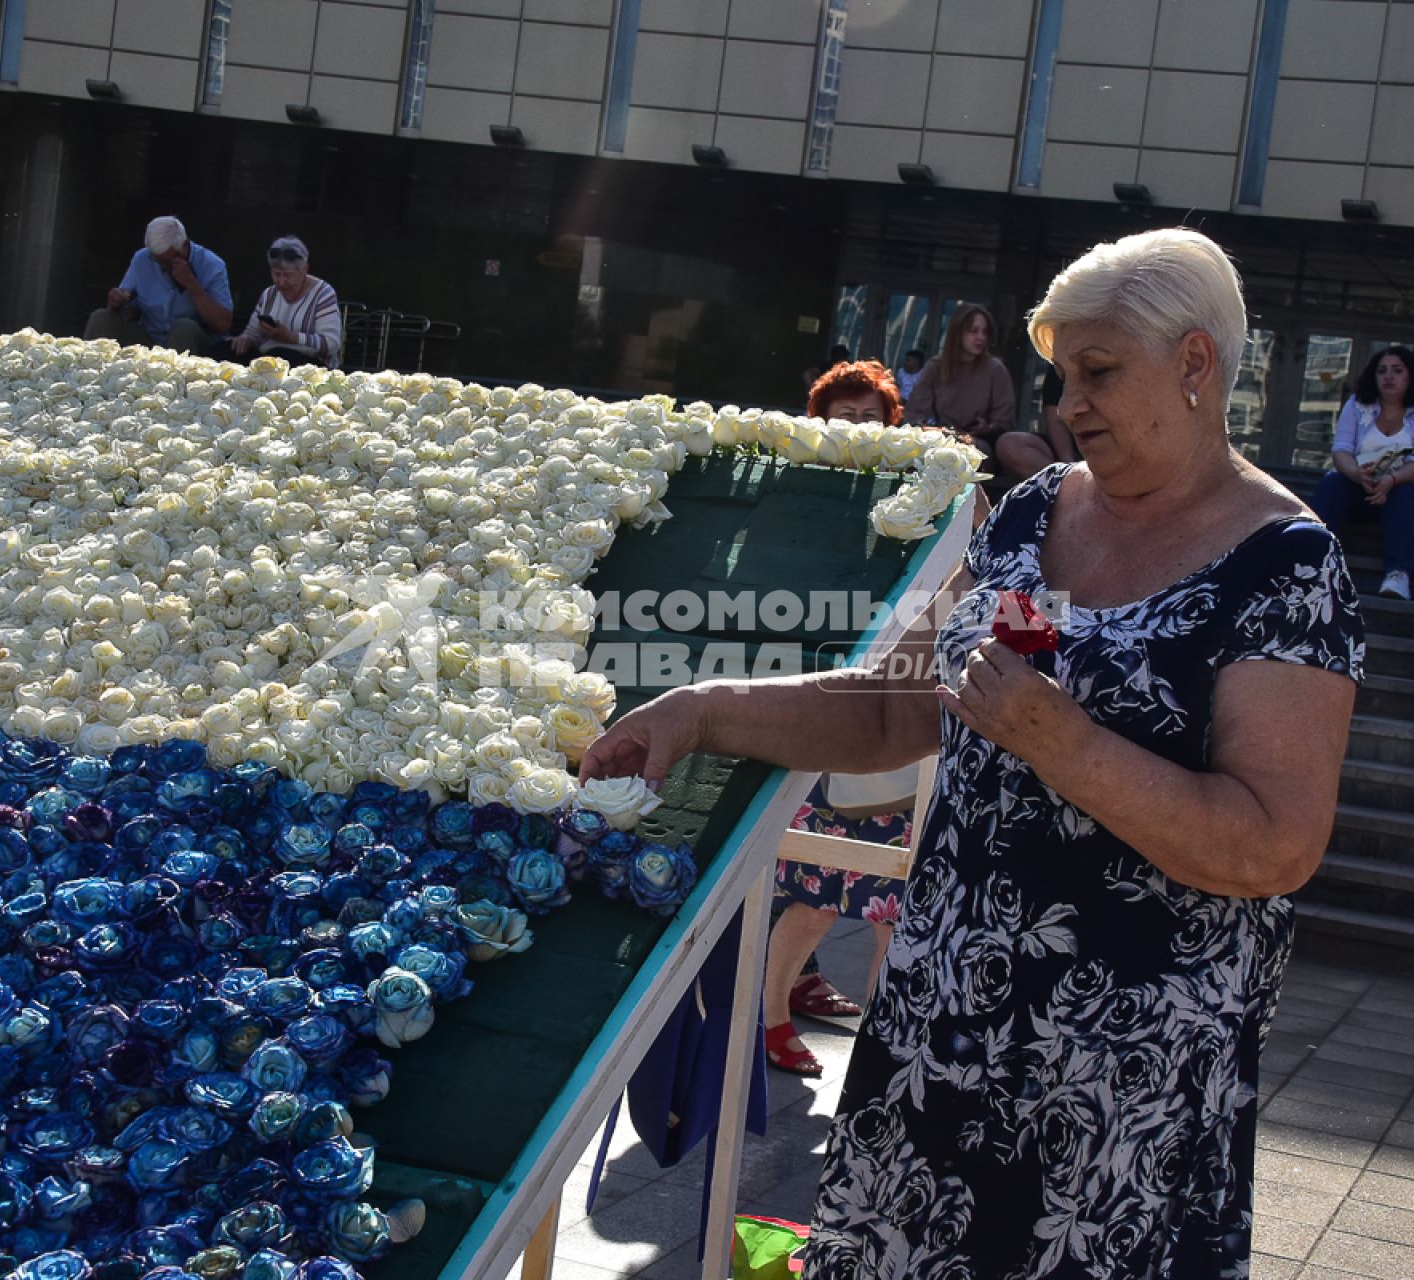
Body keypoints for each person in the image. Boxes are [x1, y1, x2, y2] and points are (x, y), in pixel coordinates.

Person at [583, 228, 1363, 1276]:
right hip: (937, 1046)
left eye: (1098, 373)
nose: (1068, 404)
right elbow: (885, 709)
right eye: (1060, 377)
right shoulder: (1034, 509)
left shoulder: (1290, 563)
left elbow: (1275, 843)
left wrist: (1069, 746)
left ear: (1194, 364)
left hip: (1120, 1094)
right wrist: (701, 708)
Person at [765, 359, 913, 1077]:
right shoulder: (799, 496)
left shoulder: (921, 499)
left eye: (870, 419)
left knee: (895, 896)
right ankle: (768, 1017)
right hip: (822, 709)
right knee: (818, 892)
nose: (856, 432)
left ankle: (882, 1052)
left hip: (894, 715)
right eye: (841, 418)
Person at [1307, 346, 1414, 600]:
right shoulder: (1357, 406)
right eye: (1382, 371)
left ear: (1410, 376)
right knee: (1333, 484)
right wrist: (1358, 474)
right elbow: (1341, 450)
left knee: (1408, 491)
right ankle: (1310, 559)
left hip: (1400, 488)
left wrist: (1391, 480)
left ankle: (1398, 574)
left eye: (1397, 371)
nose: (1388, 377)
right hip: (1360, 485)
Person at [904, 303, 1050, 486]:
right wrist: (934, 428)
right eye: (973, 331)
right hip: (939, 436)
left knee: (964, 452)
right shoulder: (936, 367)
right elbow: (915, 413)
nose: (980, 337)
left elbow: (1005, 422)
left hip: (979, 444)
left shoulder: (994, 369)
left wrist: (987, 427)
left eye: (984, 332)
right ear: (958, 333)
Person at [83, 215, 233, 355]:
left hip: (193, 348)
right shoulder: (142, 258)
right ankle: (83, 373)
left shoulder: (212, 265)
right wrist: (118, 303)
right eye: (157, 261)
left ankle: (175, 382)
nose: (163, 267)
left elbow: (223, 325)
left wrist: (192, 285)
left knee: (183, 328)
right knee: (100, 318)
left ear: (184, 246)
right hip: (149, 340)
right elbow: (128, 309)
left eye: (168, 261)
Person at [226, 236, 343, 368]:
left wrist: (291, 337)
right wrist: (246, 340)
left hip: (309, 364)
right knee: (224, 350)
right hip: (268, 358)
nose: (281, 282)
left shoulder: (323, 294)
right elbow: (253, 332)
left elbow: (331, 343)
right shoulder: (269, 294)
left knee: (279, 356)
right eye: (276, 274)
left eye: (288, 275)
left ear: (304, 269)